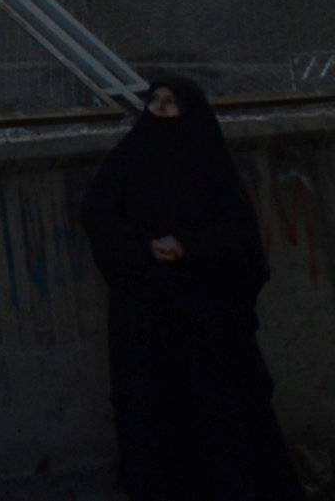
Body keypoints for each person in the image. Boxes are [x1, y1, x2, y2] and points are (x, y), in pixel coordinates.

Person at [81, 73, 305, 500]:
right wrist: (145, 248)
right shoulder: (131, 159)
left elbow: (239, 243)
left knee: (225, 425)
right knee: (157, 423)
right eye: (155, 101)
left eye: (171, 102)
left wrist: (188, 248)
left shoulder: (209, 166)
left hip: (209, 321)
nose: (161, 109)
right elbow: (99, 213)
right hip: (149, 322)